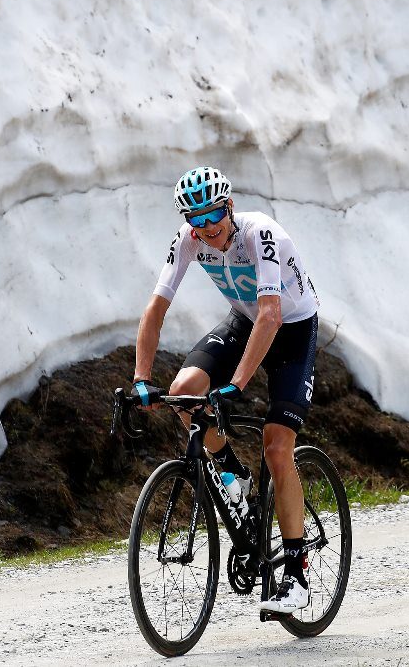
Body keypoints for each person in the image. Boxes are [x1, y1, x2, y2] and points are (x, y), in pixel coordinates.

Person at [129, 166, 320, 614]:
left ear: (228, 206)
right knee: (185, 391)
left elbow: (272, 314)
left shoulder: (262, 235)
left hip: (290, 330)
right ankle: (232, 472)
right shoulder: (189, 239)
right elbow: (155, 309)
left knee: (277, 449)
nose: (206, 227)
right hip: (245, 322)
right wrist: (140, 377)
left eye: (213, 214)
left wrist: (236, 385)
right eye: (195, 219)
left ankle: (295, 575)